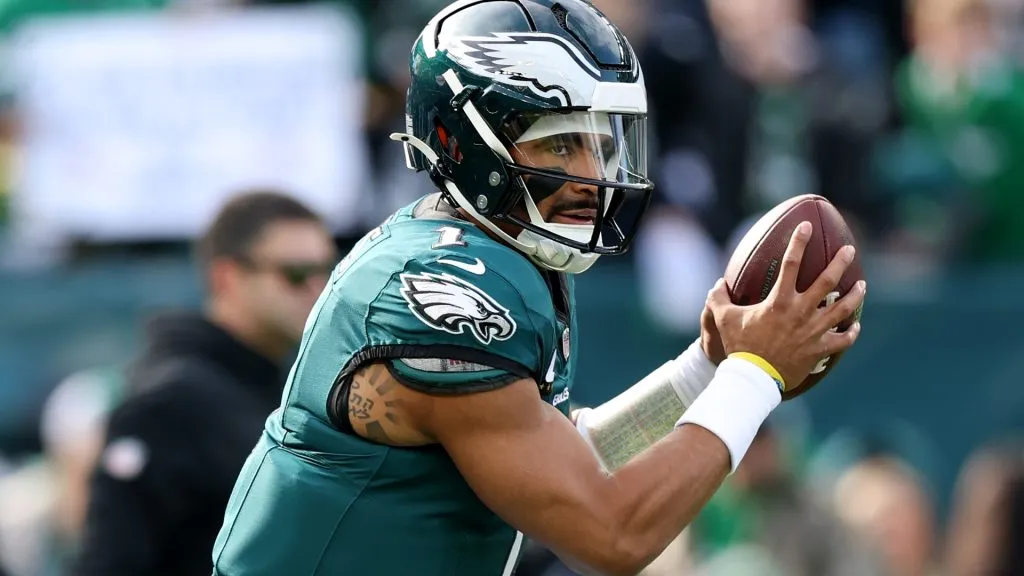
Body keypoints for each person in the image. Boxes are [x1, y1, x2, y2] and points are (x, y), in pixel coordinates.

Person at [211, 1, 866, 575]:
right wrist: (755, 375)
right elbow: (608, 535)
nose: (592, 174)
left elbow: (558, 463)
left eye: (601, 141)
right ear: (466, 142)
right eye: (560, 146)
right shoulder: (444, 295)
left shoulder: (491, 251)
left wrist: (705, 369)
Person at [74, 191, 338, 576]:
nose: (318, 290)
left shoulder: (285, 386)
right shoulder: (167, 404)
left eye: (328, 272)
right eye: (296, 274)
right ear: (227, 277)